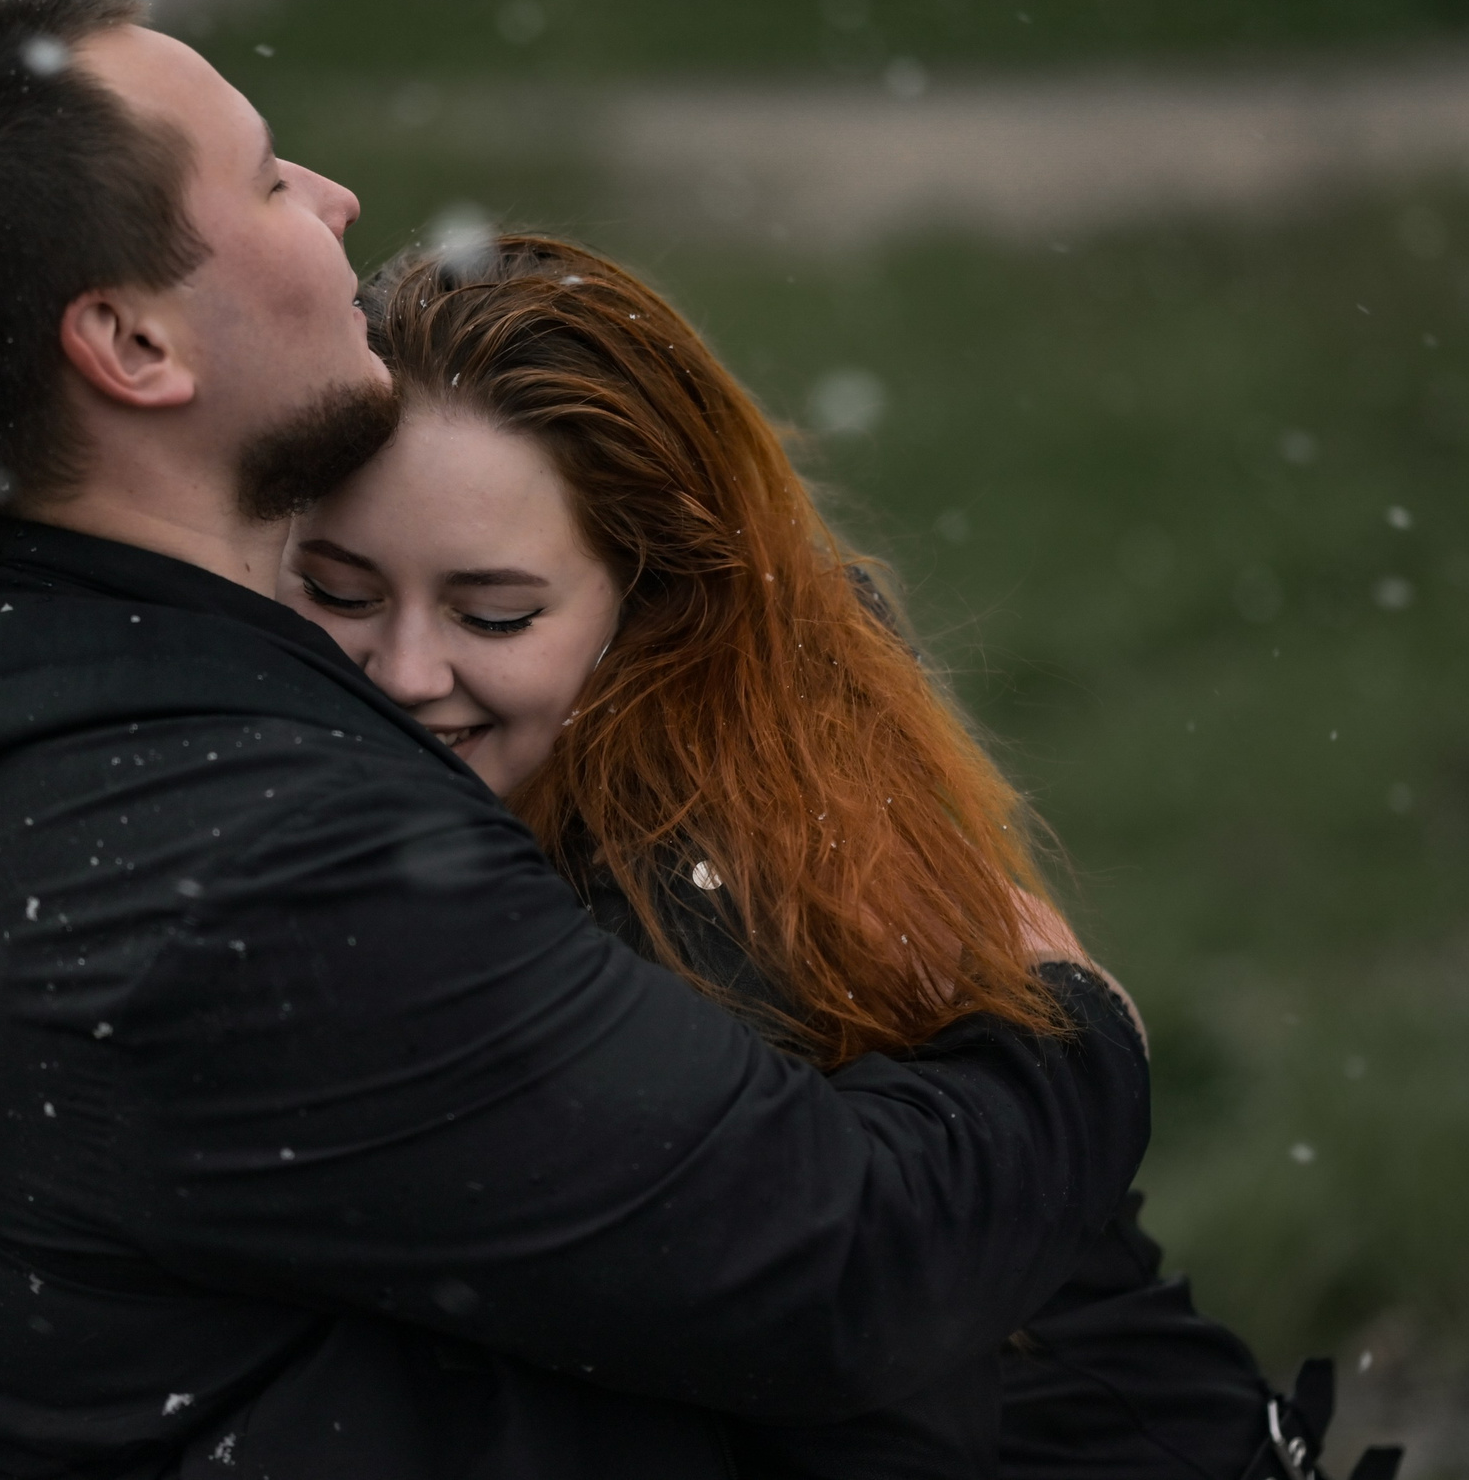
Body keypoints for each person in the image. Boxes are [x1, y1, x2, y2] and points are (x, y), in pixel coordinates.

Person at [0, 0, 1147, 1478]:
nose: (334, 199)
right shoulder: (265, 869)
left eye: (494, 609)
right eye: (269, 180)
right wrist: (1071, 1029)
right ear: (133, 342)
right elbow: (844, 1267)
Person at [278, 232, 1324, 1479]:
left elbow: (861, 1329)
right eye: (339, 591)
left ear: (648, 605)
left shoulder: (707, 883)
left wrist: (1083, 1040)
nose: (403, 671)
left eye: (492, 613)